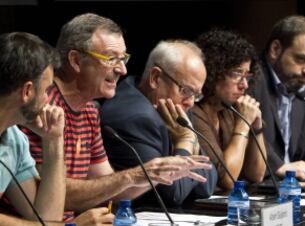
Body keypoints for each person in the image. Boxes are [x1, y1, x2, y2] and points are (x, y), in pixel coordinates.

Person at [21, 13, 213, 213]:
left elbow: (106, 188)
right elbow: (48, 194)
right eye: (111, 59)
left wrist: (154, 173)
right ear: (76, 61)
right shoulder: (41, 106)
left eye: (123, 59)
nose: (121, 70)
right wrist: (135, 175)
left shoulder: (90, 110)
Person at [0, 32, 113, 226]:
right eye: (46, 90)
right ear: (27, 91)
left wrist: (53, 141)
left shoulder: (14, 139)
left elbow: (45, 218)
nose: (48, 99)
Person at [100, 40, 217, 206]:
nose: (191, 102)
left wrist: (190, 144)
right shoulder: (135, 117)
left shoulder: (176, 107)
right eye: (186, 90)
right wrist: (185, 142)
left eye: (196, 95)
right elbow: (172, 194)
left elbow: (207, 185)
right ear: (155, 78)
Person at [249, 15, 305, 181]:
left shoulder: (304, 90)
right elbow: (246, 135)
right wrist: (279, 166)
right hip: (256, 187)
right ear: (275, 49)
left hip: (293, 187)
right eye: (302, 59)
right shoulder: (250, 80)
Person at [192, 29, 266, 190]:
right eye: (237, 73)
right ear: (213, 70)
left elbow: (257, 175)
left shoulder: (228, 111)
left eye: (247, 76)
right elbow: (227, 179)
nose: (244, 85)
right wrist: (243, 124)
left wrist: (257, 128)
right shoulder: (193, 112)